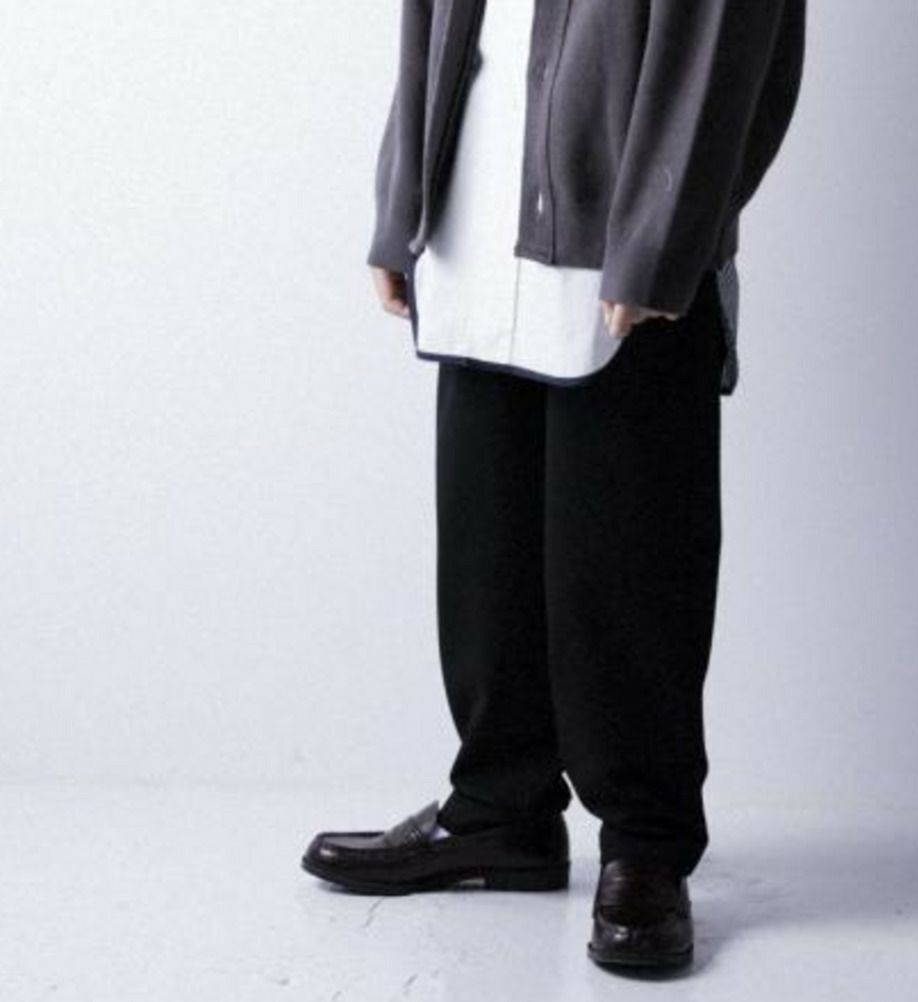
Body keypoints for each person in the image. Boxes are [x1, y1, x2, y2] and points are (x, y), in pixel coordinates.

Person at [302, 0, 806, 971]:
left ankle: (646, 846)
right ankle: (501, 808)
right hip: (475, 209)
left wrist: (663, 235)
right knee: (485, 538)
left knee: (629, 550)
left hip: (621, 228)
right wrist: (403, 204)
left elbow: (725, 40)